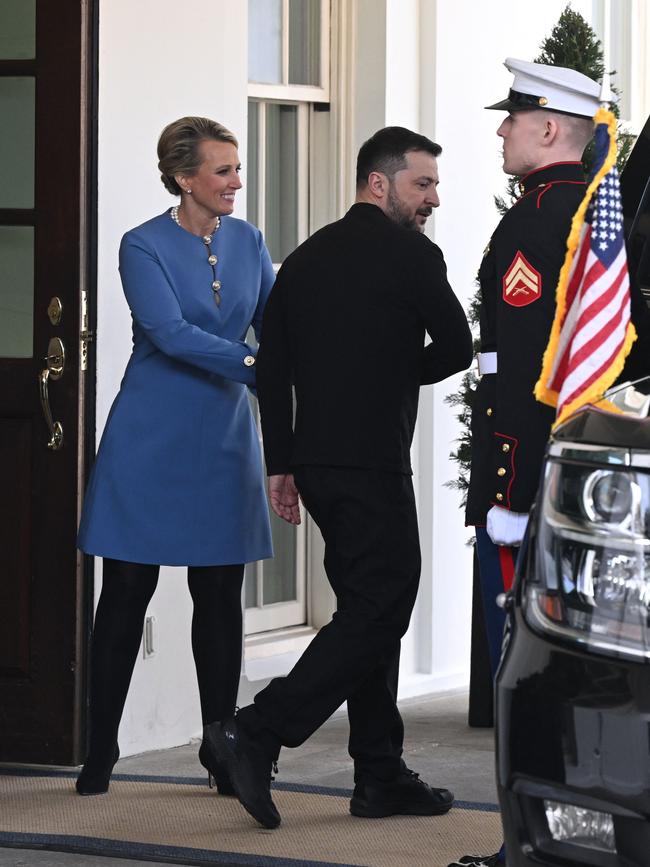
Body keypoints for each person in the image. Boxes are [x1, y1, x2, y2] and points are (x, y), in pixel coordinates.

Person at [202, 126, 474, 829]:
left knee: (365, 608)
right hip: (373, 462)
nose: (433, 200)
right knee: (383, 603)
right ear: (378, 183)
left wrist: (283, 463)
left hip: (317, 464)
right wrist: (390, 372)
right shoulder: (415, 255)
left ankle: (379, 773)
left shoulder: (304, 260)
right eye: (423, 184)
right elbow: (456, 346)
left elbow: (275, 370)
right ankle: (257, 730)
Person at [75, 117, 274, 796]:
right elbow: (168, 333)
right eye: (223, 171)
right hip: (149, 437)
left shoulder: (250, 241)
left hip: (224, 439)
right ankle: (100, 750)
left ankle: (223, 750)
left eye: (237, 168)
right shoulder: (142, 245)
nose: (236, 183)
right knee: (126, 590)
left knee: (219, 594)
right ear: (185, 178)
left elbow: (276, 326)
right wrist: (256, 362)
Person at [450, 59, 602, 867]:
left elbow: (521, 382)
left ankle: (524, 848)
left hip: (530, 480)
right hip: (576, 476)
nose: (501, 131)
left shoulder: (535, 224)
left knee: (524, 675)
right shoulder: (592, 214)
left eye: (512, 118)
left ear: (548, 129)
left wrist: (507, 494)